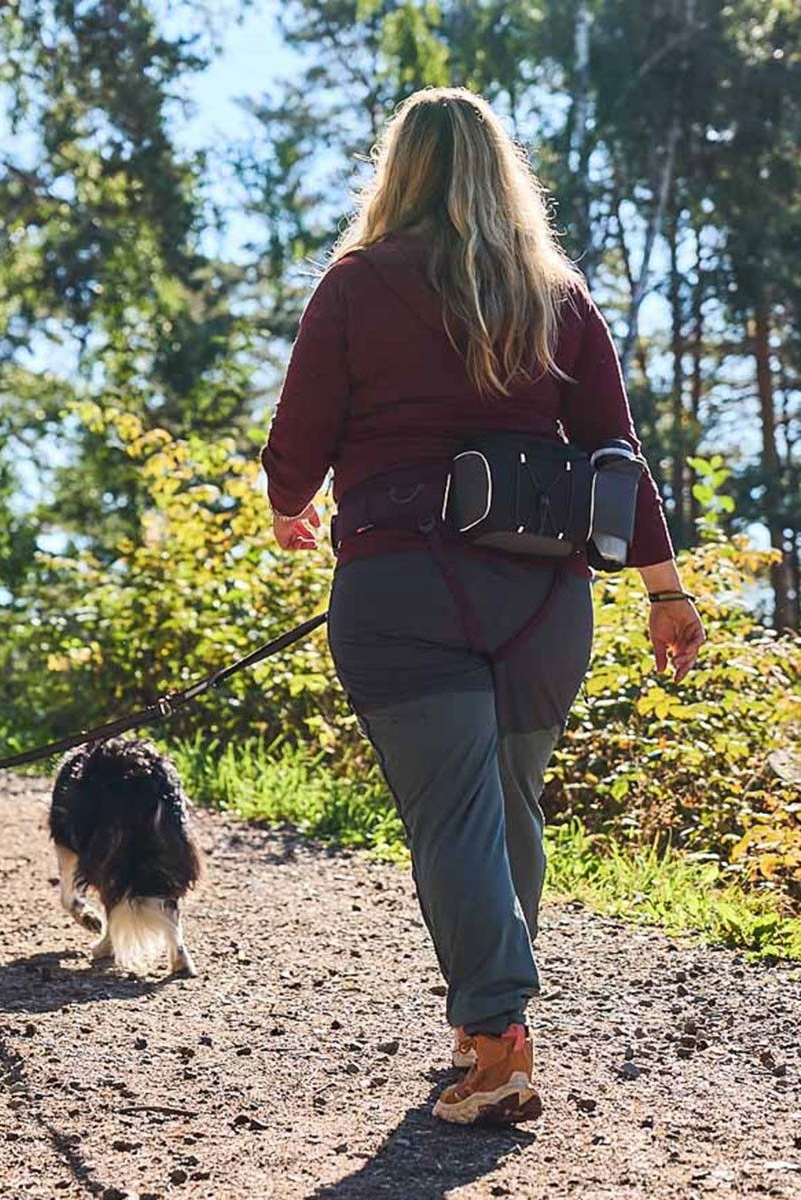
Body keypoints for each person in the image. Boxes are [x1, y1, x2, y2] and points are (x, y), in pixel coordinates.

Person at [261, 87, 706, 1125]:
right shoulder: (555, 294)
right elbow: (618, 455)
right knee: (505, 806)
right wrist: (666, 590)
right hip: (544, 602)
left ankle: (499, 1038)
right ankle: (487, 1027)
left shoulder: (357, 284)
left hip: (402, 589)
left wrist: (291, 507)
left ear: (397, 172)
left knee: (459, 813)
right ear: (504, 175)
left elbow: (295, 448)